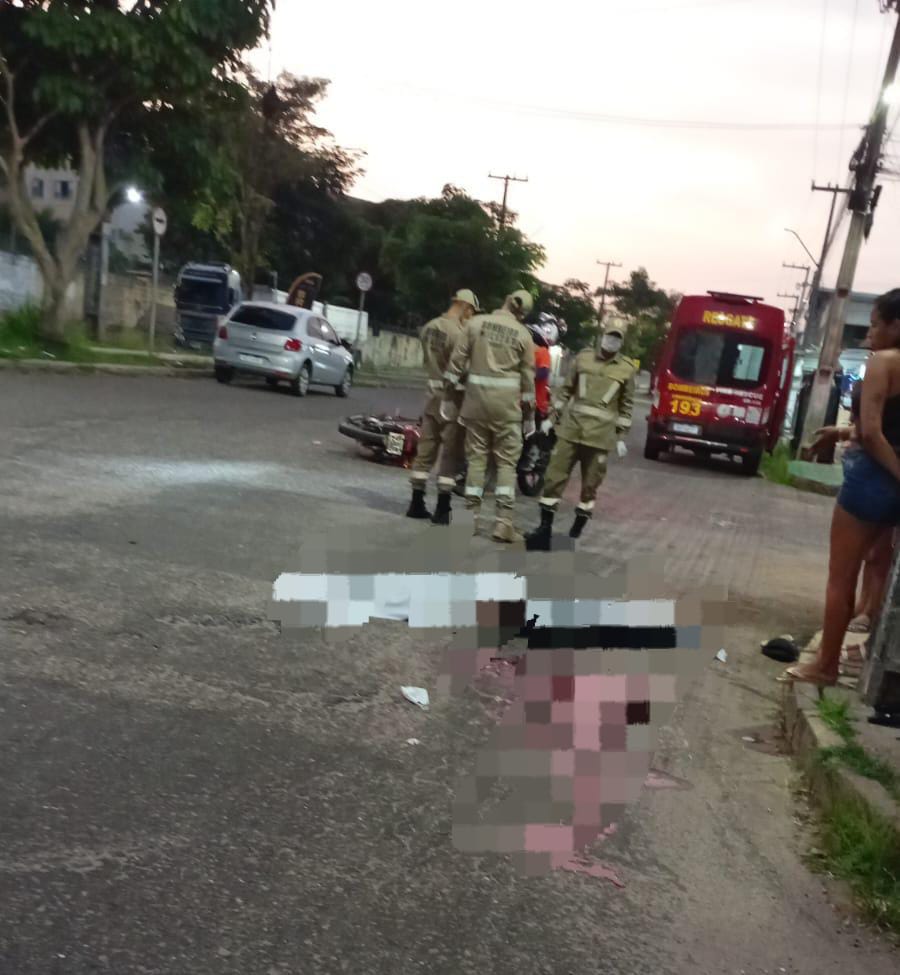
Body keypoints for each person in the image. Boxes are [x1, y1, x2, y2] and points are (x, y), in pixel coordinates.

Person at [780, 289, 900, 687]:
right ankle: (867, 658)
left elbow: (871, 432)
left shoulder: (882, 362)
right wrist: (841, 430)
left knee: (841, 576)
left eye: (874, 324)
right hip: (892, 489)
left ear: (895, 326)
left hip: (872, 480)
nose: (871, 333)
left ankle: (825, 666)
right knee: (881, 567)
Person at [525, 325, 636, 551]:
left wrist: (621, 437)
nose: (611, 342)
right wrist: (551, 417)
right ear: (602, 337)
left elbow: (626, 406)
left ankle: (577, 528)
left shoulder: (626, 369)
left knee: (590, 486)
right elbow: (566, 390)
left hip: (600, 437)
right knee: (554, 478)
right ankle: (544, 530)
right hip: (571, 431)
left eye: (616, 339)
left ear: (621, 344)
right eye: (609, 337)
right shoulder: (583, 358)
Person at [442, 289, 536, 542]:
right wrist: (529, 417)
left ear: (505, 300)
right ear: (523, 313)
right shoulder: (524, 336)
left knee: (476, 461)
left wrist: (449, 398)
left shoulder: (475, 324)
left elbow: (455, 364)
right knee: (506, 464)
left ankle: (467, 521)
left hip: (475, 406)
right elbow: (528, 383)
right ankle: (503, 524)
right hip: (506, 411)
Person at [406, 289, 480, 523]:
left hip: (431, 396)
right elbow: (461, 369)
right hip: (452, 398)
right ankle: (442, 509)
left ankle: (416, 502)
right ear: (466, 308)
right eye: (472, 312)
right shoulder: (459, 333)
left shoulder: (429, 327)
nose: (471, 316)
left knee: (426, 449)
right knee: (450, 453)